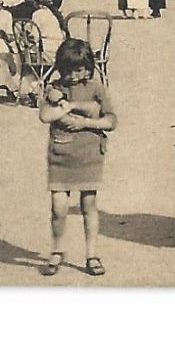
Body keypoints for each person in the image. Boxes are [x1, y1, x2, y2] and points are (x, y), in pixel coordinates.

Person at [39, 37, 116, 276]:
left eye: (79, 70)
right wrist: (67, 106)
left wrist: (86, 121)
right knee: (58, 208)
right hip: (61, 155)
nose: (73, 76)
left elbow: (111, 120)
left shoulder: (96, 88)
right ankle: (57, 250)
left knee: (89, 206)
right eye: (67, 71)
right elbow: (45, 116)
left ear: (89, 67)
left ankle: (91, 254)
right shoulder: (55, 88)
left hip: (89, 155)